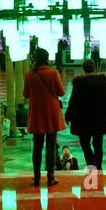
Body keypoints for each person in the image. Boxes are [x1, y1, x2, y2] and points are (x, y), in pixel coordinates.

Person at [23, 47, 67, 187]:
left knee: (37, 146)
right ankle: (50, 177)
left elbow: (26, 94)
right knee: (51, 146)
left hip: (37, 113)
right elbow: (61, 92)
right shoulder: (53, 73)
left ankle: (36, 177)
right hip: (51, 112)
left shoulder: (29, 74)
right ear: (47, 58)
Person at [65, 58, 106, 170]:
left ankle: (92, 165)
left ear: (83, 69)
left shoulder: (79, 84)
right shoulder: (102, 82)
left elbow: (73, 102)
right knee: (98, 145)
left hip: (83, 121)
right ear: (94, 68)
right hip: (99, 119)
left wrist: (68, 116)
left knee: (85, 145)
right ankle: (98, 166)